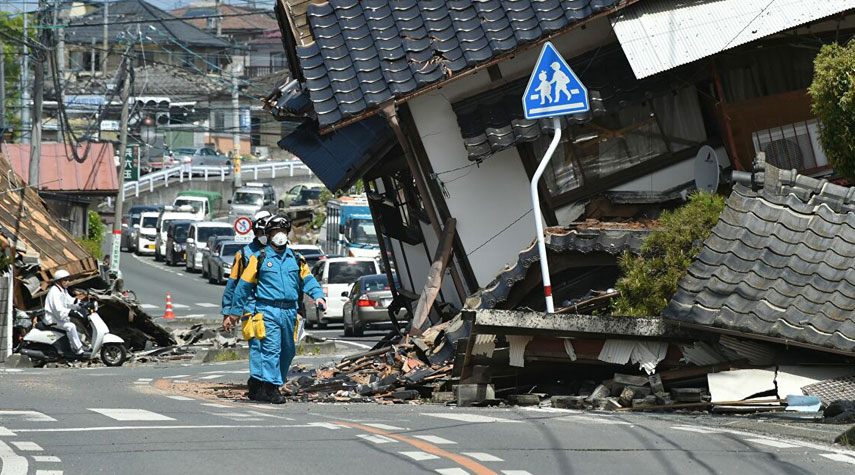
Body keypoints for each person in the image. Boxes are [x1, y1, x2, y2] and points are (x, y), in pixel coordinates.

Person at [228, 215, 326, 404]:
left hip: (290, 312)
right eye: (275, 232)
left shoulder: (296, 259)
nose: (279, 235)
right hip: (267, 310)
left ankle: (268, 383)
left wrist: (318, 295)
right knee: (271, 349)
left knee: (288, 351)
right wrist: (234, 311)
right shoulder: (259, 258)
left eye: (283, 231)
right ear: (268, 234)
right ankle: (272, 388)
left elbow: (308, 280)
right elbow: (243, 286)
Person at [222, 210, 271, 400]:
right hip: (251, 308)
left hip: (275, 308)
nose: (265, 236)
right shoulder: (243, 254)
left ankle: (271, 382)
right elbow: (233, 284)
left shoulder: (281, 252)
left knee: (276, 347)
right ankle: (257, 383)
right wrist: (228, 312)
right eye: (262, 232)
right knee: (258, 345)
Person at [43, 270, 86, 355]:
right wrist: (71, 312)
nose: (67, 282)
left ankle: (74, 346)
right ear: (59, 281)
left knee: (75, 326)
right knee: (71, 326)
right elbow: (58, 310)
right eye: (65, 280)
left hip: (59, 319)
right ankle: (78, 350)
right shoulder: (54, 292)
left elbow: (69, 301)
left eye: (68, 279)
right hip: (53, 320)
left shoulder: (62, 290)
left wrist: (80, 303)